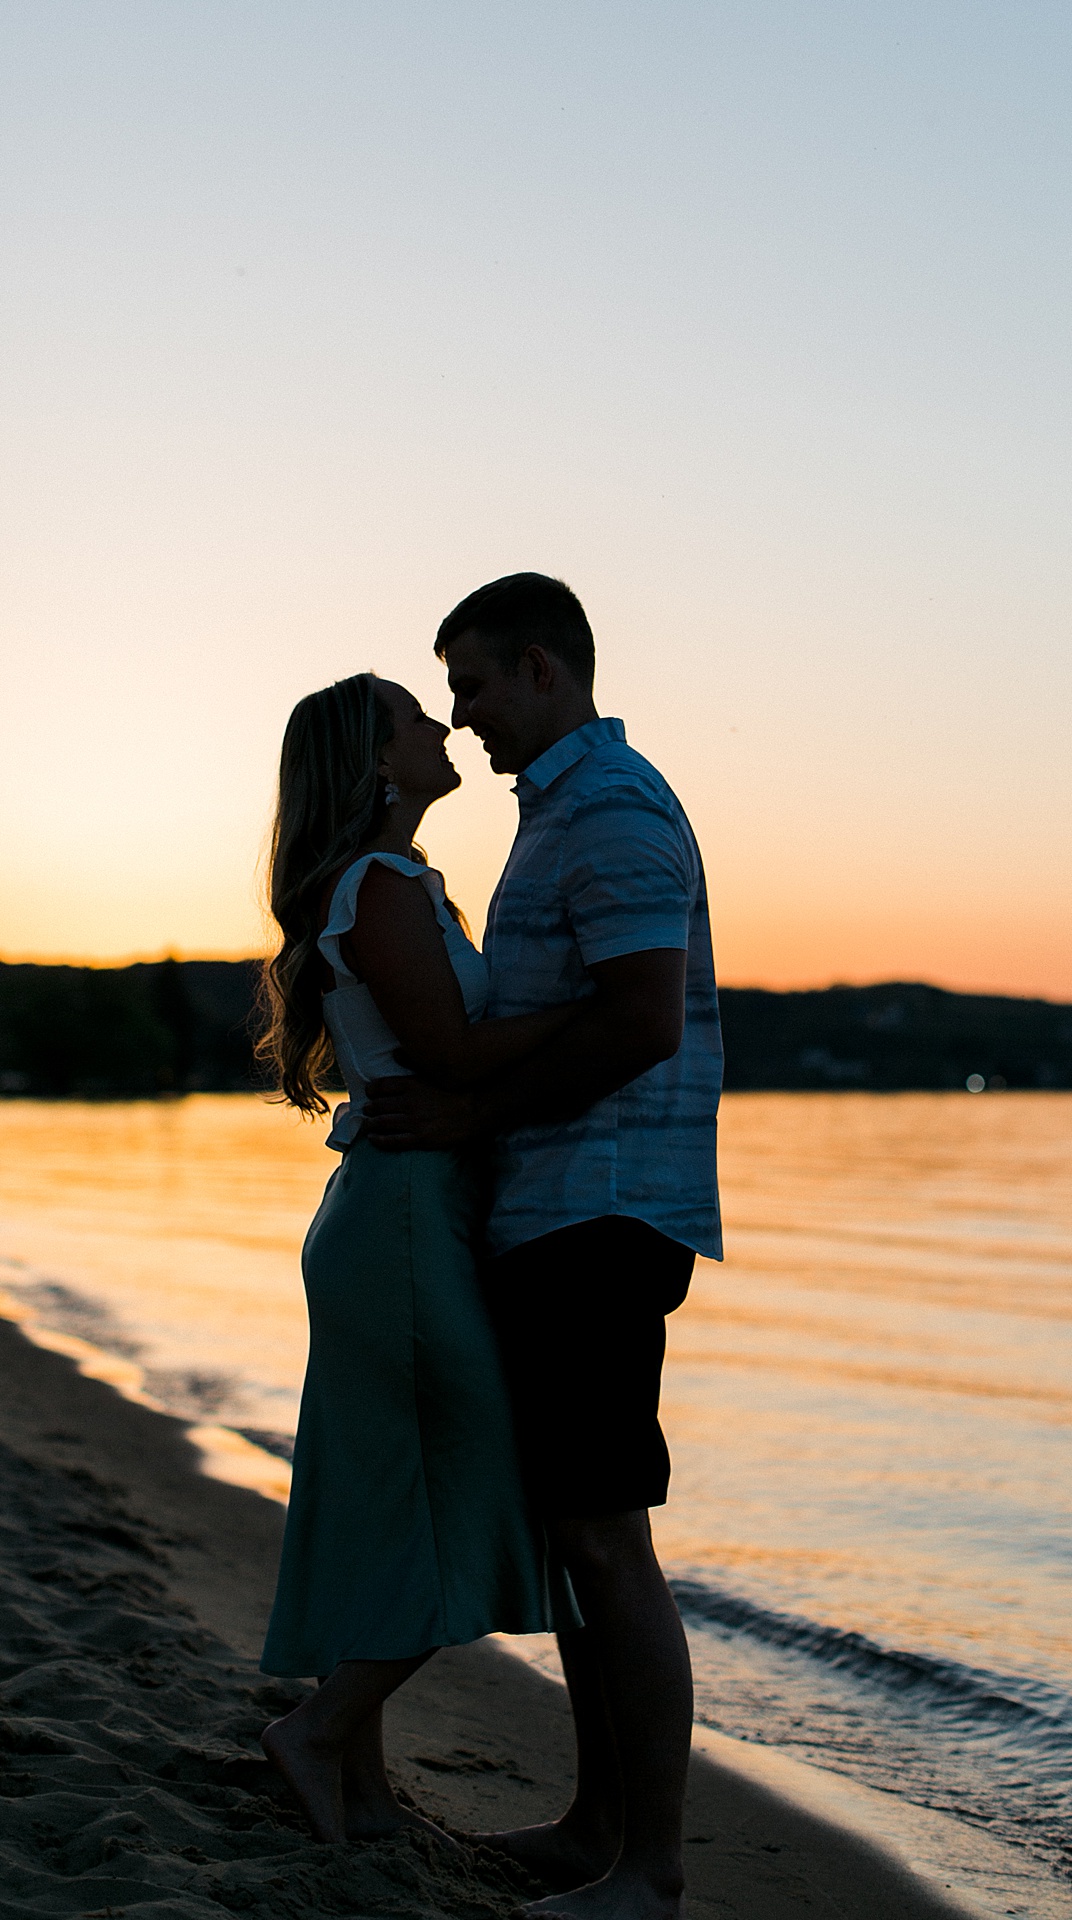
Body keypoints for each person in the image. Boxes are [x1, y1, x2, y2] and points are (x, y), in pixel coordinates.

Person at [364, 574, 723, 1920]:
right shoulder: (565, 811)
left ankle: (653, 1869)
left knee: (602, 1530)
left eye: (469, 686)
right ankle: (595, 1827)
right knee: (579, 1530)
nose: (461, 716)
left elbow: (641, 1019)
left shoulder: (615, 811)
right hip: (555, 1207)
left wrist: (468, 1107)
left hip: (604, 1212)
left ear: (539, 669)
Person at [255, 671, 577, 1847]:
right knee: (473, 1484)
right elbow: (450, 1051)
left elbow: (453, 1053)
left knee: (388, 1499)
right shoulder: (381, 886)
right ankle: (319, 1730)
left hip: (403, 1213)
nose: (440, 729)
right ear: (376, 763)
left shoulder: (395, 884)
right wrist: (610, 1012)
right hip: (399, 1220)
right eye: (412, 718)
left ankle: (364, 1785)